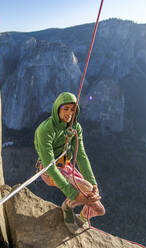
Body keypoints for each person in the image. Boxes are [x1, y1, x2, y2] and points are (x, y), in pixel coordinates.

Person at [34, 92, 105, 233]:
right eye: (65, 108)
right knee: (87, 188)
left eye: (72, 109)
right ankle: (68, 207)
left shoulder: (75, 128)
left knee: (99, 209)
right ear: (57, 109)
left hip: (65, 167)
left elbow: (81, 156)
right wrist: (73, 194)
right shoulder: (46, 130)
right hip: (48, 170)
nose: (69, 113)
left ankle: (83, 218)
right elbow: (50, 166)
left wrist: (94, 183)